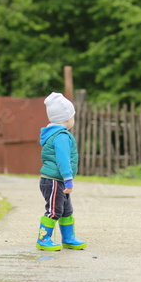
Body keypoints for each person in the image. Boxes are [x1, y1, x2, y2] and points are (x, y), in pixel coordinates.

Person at [36, 92, 86, 251]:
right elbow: (63, 160)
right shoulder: (61, 136)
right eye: (72, 116)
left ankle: (69, 238)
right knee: (53, 211)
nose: (73, 119)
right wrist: (68, 179)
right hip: (54, 180)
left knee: (66, 210)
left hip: (58, 180)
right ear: (66, 118)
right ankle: (43, 239)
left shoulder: (56, 134)